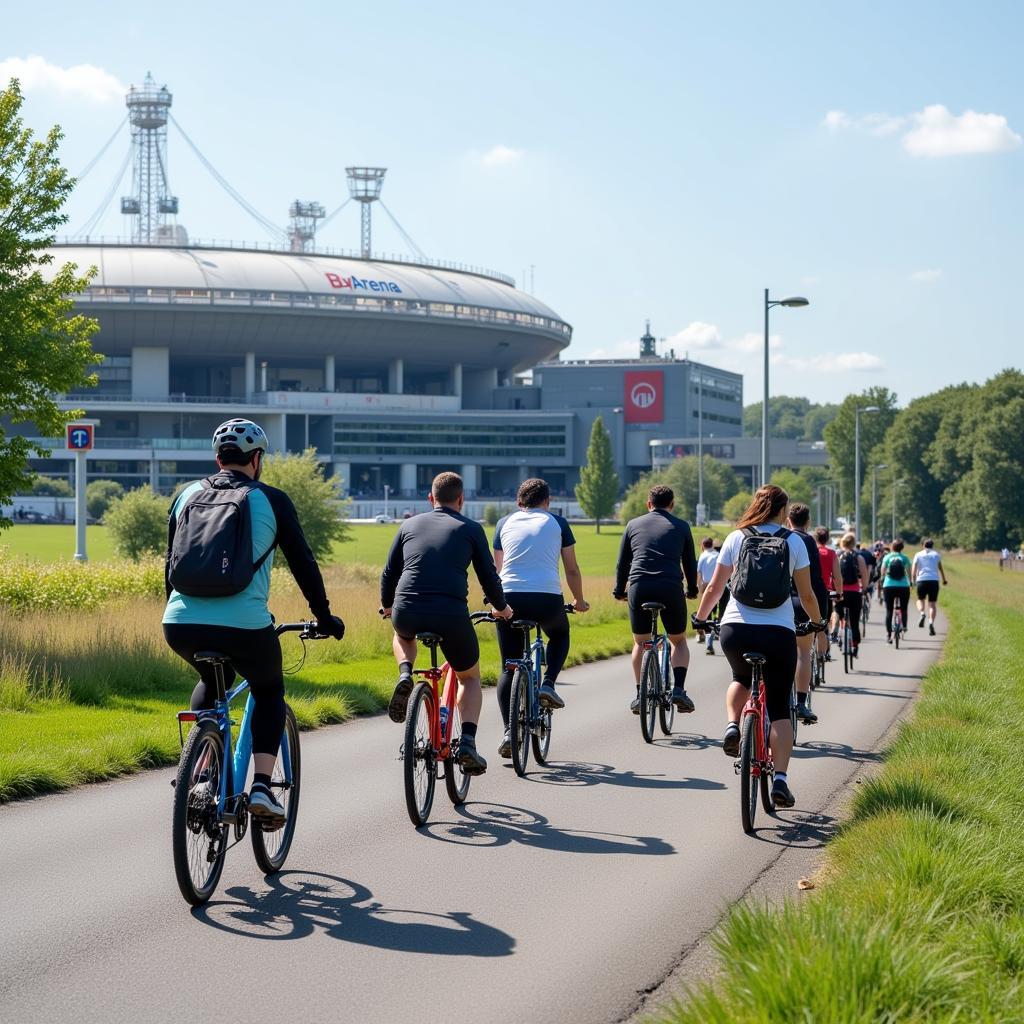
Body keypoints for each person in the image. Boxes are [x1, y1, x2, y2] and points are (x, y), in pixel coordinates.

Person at [163, 418, 345, 825]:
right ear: (257, 459)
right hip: (244, 624)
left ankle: (200, 774)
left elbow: (170, 565)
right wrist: (324, 617)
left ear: (217, 458)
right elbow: (304, 565)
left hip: (178, 621)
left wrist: (177, 613)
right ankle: (262, 786)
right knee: (267, 688)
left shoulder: (185, 495)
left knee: (211, 681)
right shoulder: (272, 500)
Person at [692, 485, 824, 809]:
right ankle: (780, 779)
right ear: (783, 511)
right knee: (779, 705)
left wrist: (700, 617)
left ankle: (733, 725)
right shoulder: (794, 541)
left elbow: (715, 586)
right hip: (777, 632)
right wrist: (818, 623)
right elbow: (806, 596)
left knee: (739, 677)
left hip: (735, 629)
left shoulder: (737, 537)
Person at [380, 471, 512, 776]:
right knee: (470, 678)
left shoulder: (408, 525)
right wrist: (502, 608)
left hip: (408, 608)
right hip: (450, 614)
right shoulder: (471, 528)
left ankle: (405, 674)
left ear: (430, 498)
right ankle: (466, 742)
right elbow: (488, 577)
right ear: (461, 499)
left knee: (402, 634)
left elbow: (389, 573)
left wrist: (388, 606)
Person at [491, 478, 589, 759]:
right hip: (546, 597)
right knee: (559, 633)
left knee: (508, 666)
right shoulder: (558, 522)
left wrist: (497, 603)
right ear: (548, 501)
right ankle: (548, 683)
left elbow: (498, 569)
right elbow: (571, 569)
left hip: (509, 597)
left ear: (519, 503)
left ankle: (509, 732)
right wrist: (578, 601)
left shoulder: (503, 524)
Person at [614, 485, 699, 714]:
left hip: (640, 585)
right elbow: (690, 564)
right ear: (672, 505)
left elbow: (623, 563)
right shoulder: (681, 526)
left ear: (648, 504)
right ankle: (679, 689)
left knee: (640, 642)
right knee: (678, 640)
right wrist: (692, 589)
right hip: (670, 587)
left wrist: (619, 590)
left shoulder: (633, 525)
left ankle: (640, 693)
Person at [786, 505, 828, 724]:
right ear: (808, 521)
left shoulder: (780, 536)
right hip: (801, 602)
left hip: (779, 603)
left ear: (788, 519)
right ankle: (801, 703)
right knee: (803, 652)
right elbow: (815, 580)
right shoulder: (807, 540)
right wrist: (821, 616)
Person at [836, 533, 870, 657]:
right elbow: (865, 575)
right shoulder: (858, 557)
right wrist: (864, 589)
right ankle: (855, 644)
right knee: (855, 621)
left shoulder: (837, 555)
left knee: (840, 616)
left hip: (840, 593)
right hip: (855, 593)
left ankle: (840, 631)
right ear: (854, 543)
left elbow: (832, 575)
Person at [696, 536, 728, 655]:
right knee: (721, 615)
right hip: (724, 587)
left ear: (703, 546)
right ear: (712, 545)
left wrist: (699, 589)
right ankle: (721, 637)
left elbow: (699, 574)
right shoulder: (719, 555)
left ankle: (709, 644)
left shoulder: (703, 556)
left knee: (707, 617)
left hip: (708, 587)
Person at [815, 526, 842, 659]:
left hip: (809, 590)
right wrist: (839, 593)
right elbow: (837, 576)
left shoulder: (812, 551)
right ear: (828, 538)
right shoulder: (831, 553)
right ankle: (823, 654)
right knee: (823, 625)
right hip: (824, 593)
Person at [912, 538, 948, 635]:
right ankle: (931, 622)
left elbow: (914, 569)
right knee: (932, 604)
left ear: (923, 545)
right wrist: (944, 580)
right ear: (932, 546)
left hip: (921, 580)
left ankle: (922, 613)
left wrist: (913, 580)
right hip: (933, 581)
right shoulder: (936, 555)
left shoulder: (918, 554)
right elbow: (940, 568)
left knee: (920, 600)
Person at [880, 537, 912, 642]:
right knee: (904, 608)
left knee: (889, 611)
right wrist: (910, 582)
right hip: (903, 586)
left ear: (892, 547)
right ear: (902, 548)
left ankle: (889, 635)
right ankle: (904, 626)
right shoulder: (905, 558)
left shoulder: (887, 557)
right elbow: (908, 572)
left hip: (889, 586)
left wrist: (882, 579)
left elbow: (883, 571)